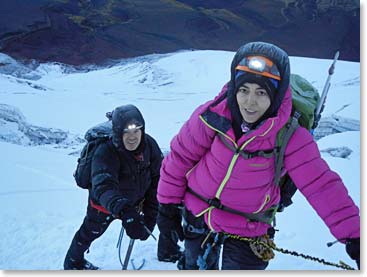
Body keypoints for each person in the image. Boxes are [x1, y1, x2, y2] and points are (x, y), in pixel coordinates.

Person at [156, 42, 360, 270]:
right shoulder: (213, 115)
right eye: (244, 90)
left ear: (277, 95)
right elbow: (180, 158)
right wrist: (167, 208)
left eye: (261, 92)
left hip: (249, 225)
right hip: (200, 213)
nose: (250, 102)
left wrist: (355, 235)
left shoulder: (290, 134)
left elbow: (321, 185)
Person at [64, 104, 163, 270]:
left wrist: (150, 217)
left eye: (136, 130)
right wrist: (125, 211)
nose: (132, 137)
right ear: (118, 132)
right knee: (89, 232)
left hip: (134, 203)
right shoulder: (105, 152)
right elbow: (104, 186)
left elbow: (156, 181)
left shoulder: (149, 146)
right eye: (126, 132)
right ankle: (73, 262)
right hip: (103, 206)